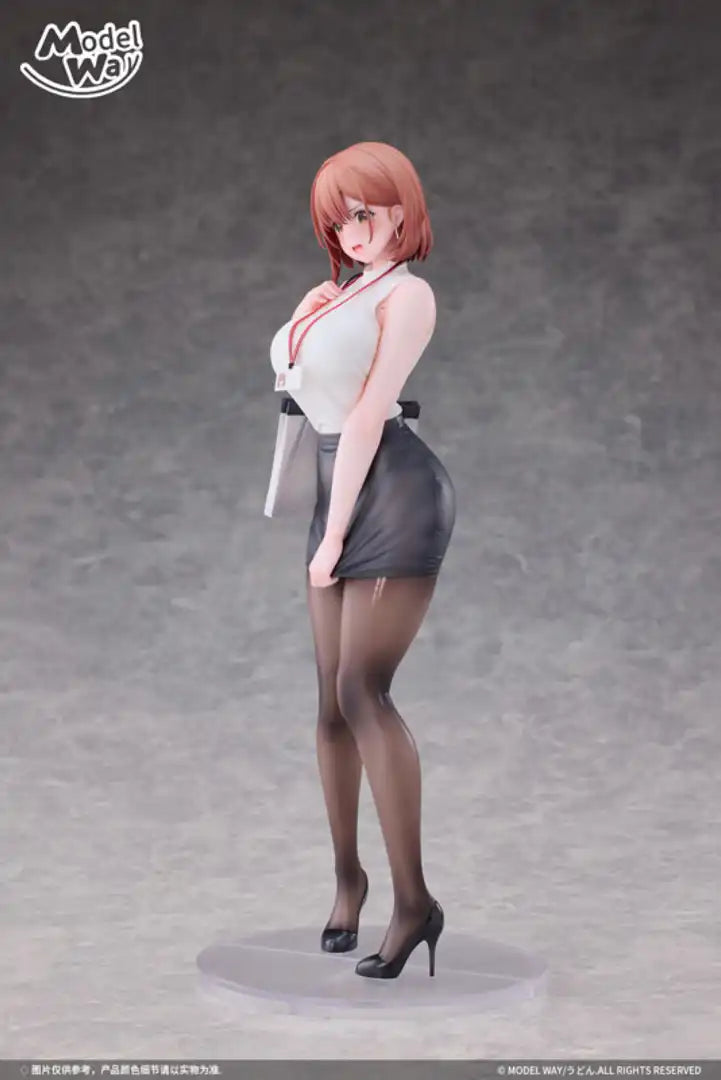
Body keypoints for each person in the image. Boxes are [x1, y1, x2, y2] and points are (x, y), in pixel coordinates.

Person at [269, 141, 456, 979]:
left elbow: (369, 413)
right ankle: (348, 880)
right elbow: (297, 385)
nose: (350, 232)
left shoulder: (407, 295)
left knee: (360, 690)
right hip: (335, 485)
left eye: (363, 214)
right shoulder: (341, 293)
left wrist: (336, 535)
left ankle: (414, 903)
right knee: (329, 704)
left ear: (401, 211)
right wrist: (303, 316)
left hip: (393, 493)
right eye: (336, 221)